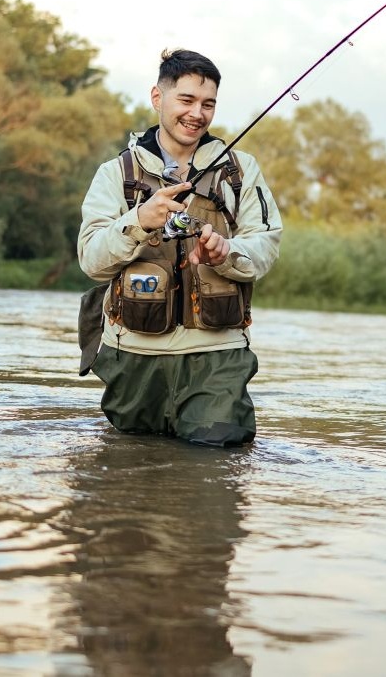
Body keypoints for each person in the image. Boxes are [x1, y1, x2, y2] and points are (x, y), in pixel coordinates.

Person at [77, 48, 282, 446]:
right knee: (129, 470)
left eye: (208, 104)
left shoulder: (241, 171)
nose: (197, 114)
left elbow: (266, 244)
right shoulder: (114, 174)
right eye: (186, 100)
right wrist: (138, 221)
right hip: (133, 356)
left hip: (217, 354)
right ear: (158, 97)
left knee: (217, 466)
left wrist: (227, 254)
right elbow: (92, 261)